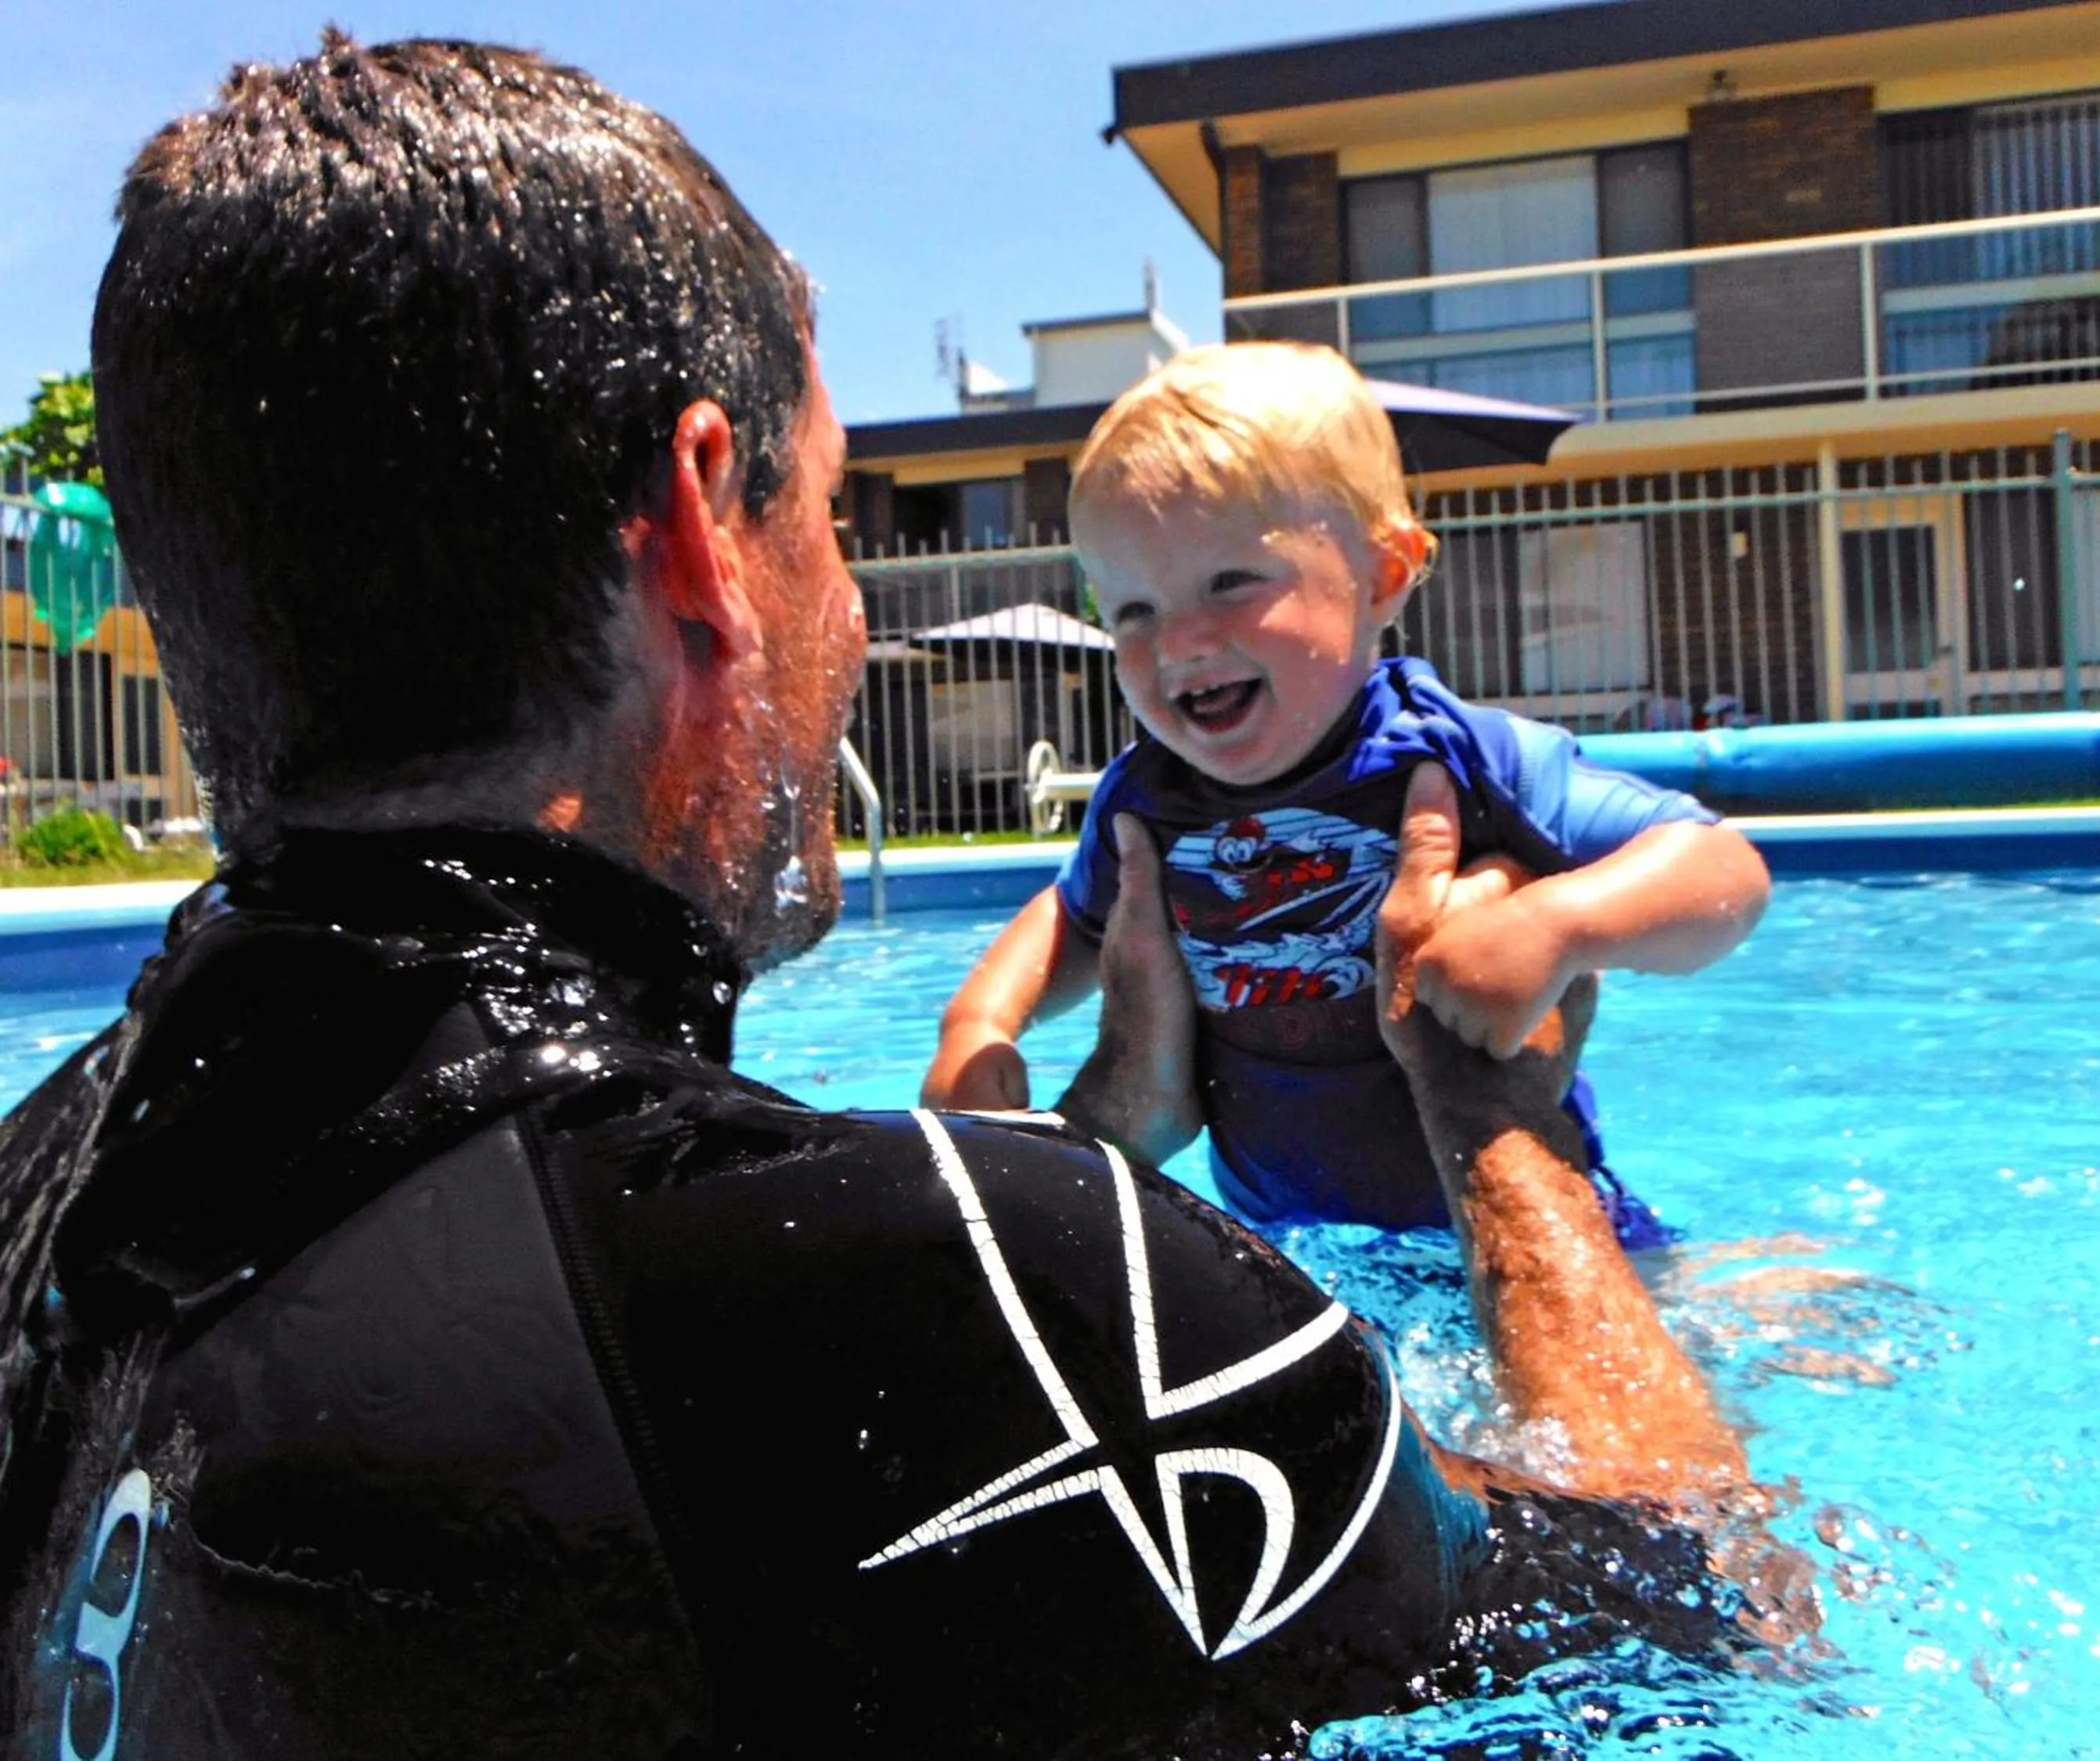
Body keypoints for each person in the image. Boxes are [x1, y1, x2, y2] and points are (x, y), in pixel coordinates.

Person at [0, 38, 1758, 1760]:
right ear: (706, 540)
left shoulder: (48, 1192)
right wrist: (1496, 1127)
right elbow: (1720, 1617)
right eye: (834, 518)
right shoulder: (992, 1295)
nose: (848, 615)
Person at [923, 344, 1772, 1239]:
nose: (1179, 643)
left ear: (1382, 577)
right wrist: (981, 1022)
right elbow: (1073, 917)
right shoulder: (1149, 799)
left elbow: (1722, 869)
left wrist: (1554, 928)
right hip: (1282, 1241)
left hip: (1509, 1215)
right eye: (1132, 610)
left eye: (1230, 583)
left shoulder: (1452, 756)